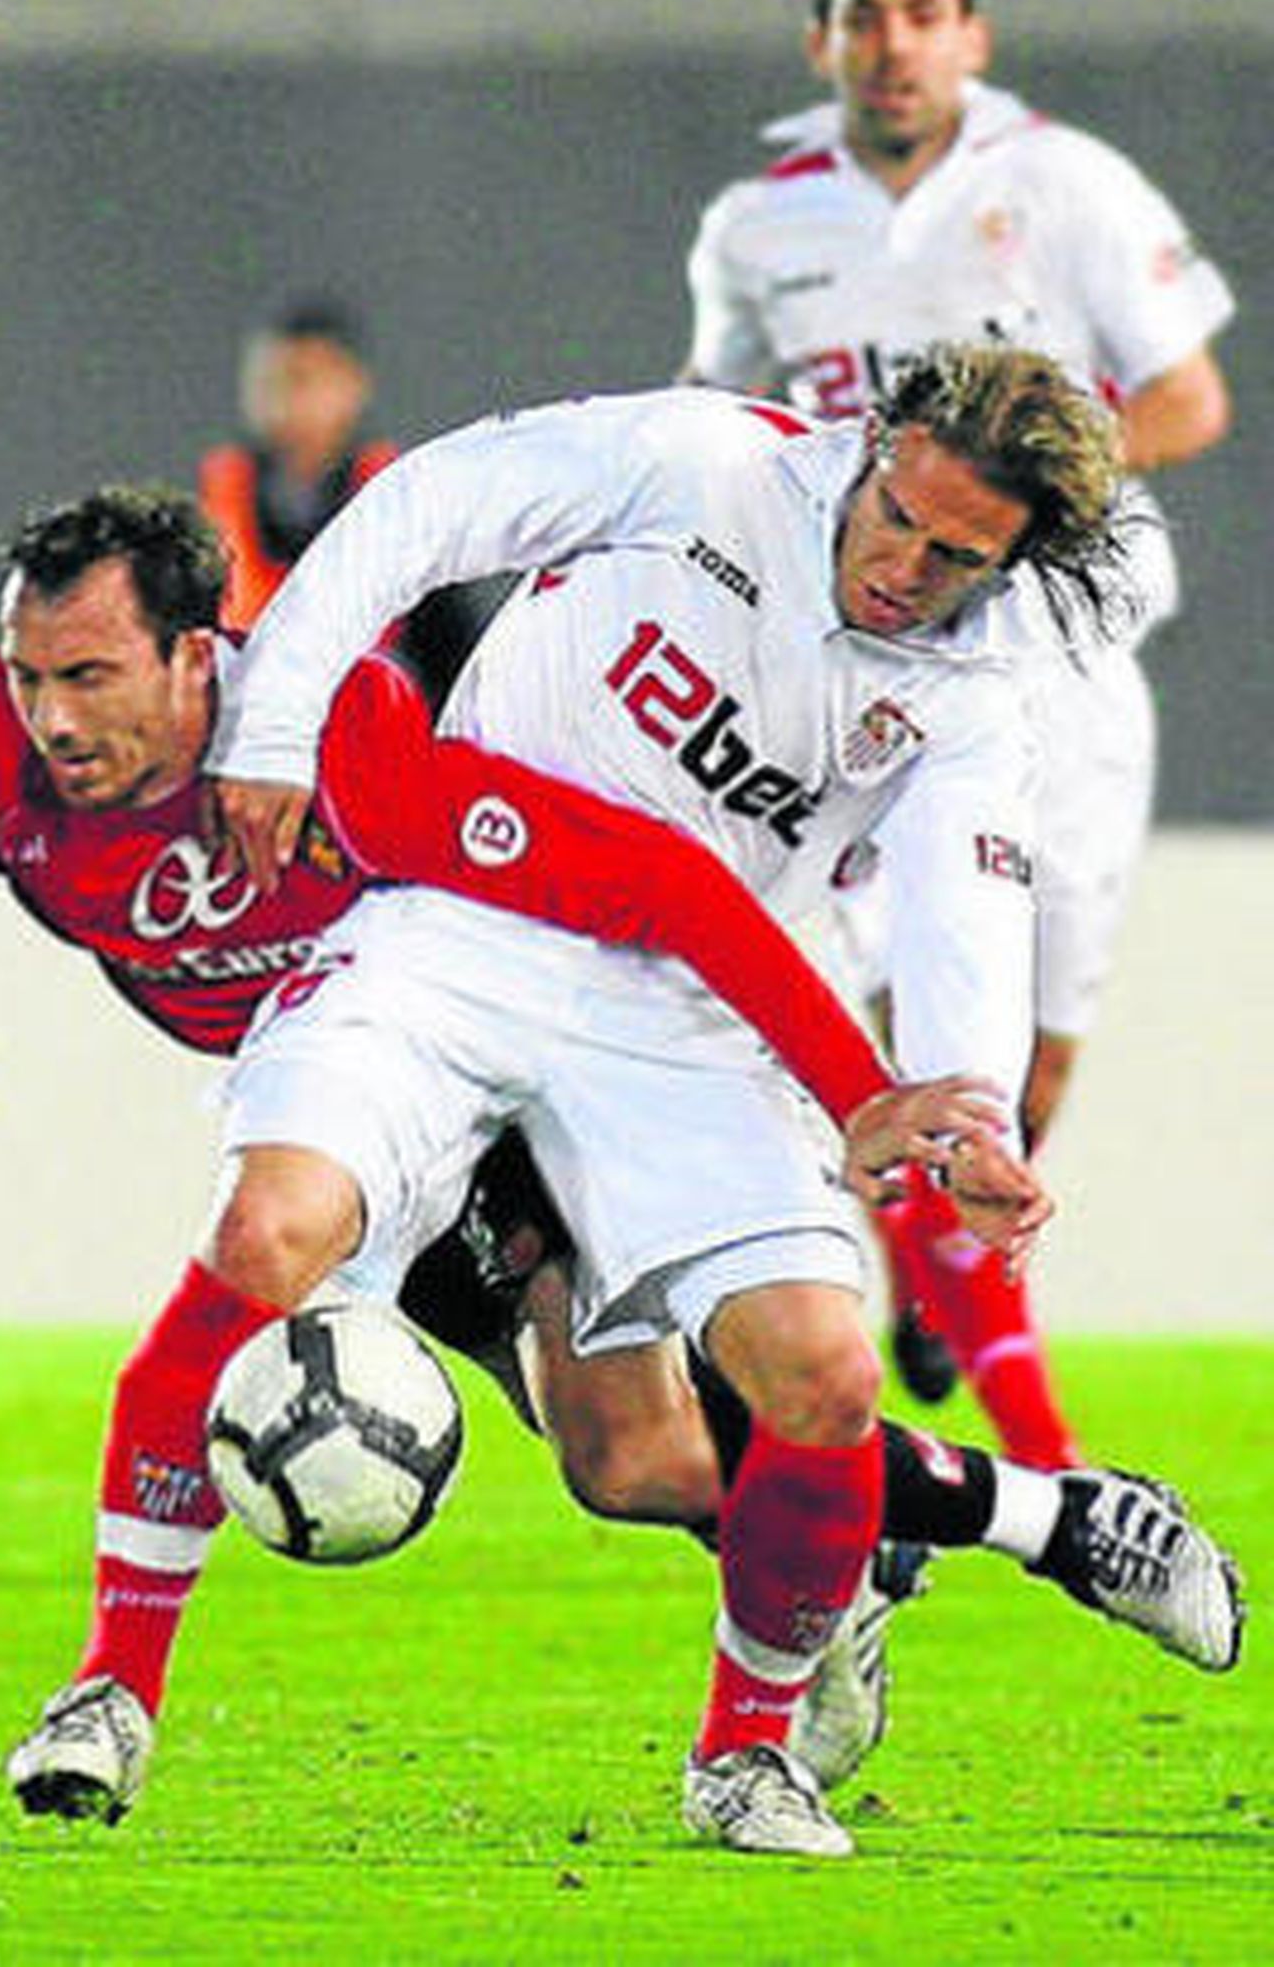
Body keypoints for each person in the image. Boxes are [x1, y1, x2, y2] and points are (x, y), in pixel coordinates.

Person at [0, 470, 1239, 1854]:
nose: (55, 718)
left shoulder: (345, 743)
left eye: (91, 676)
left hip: (506, 1057)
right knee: (615, 1454)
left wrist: (861, 1093)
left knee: (659, 1421)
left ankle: (1030, 1526)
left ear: (199, 657)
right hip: (362, 1101)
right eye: (32, 674)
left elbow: (656, 884)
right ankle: (981, 1530)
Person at [116, 340, 1235, 1860]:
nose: (905, 565)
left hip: (689, 1011)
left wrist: (964, 1111)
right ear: (877, 445)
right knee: (311, 1246)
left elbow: (960, 894)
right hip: (460, 927)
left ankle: (751, 1749)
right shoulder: (704, 460)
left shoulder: (978, 688)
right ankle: (107, 1691)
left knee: (767, 1405)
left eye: (959, 554)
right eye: (896, 514)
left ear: (1017, 559)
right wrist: (272, 728)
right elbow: (427, 508)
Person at [683, 0, 1236, 1457]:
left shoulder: (1061, 184)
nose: (894, 43)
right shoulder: (760, 224)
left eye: (923, 13)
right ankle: (1042, 1452)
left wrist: (1017, 486)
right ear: (824, 42)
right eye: (864, 16)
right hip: (862, 676)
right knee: (894, 1019)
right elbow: (722, 420)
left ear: (970, 37)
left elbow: (1192, 394)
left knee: (1034, 1057)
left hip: (1064, 673)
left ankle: (938, 1268)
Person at [199, 297, 397, 636]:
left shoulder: (397, 499)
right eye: (267, 383)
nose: (282, 402)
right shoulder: (223, 502)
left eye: (302, 381)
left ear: (352, 386)